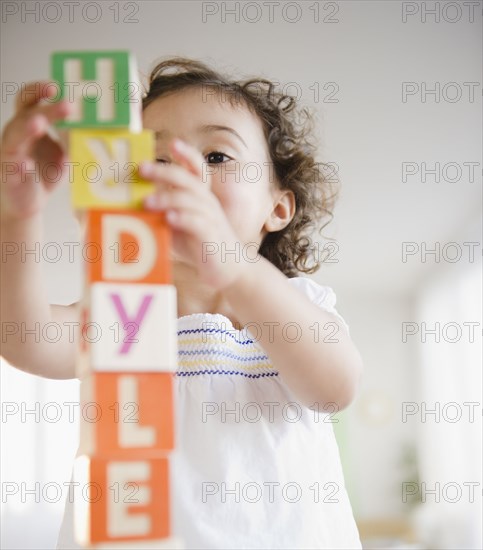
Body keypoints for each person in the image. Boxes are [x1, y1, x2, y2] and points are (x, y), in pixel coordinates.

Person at [0, 57, 364, 549]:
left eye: (216, 157)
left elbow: (334, 388)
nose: (181, 174)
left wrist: (232, 264)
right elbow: (27, 340)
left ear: (277, 207)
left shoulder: (295, 306)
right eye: (155, 161)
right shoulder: (126, 312)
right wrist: (16, 216)